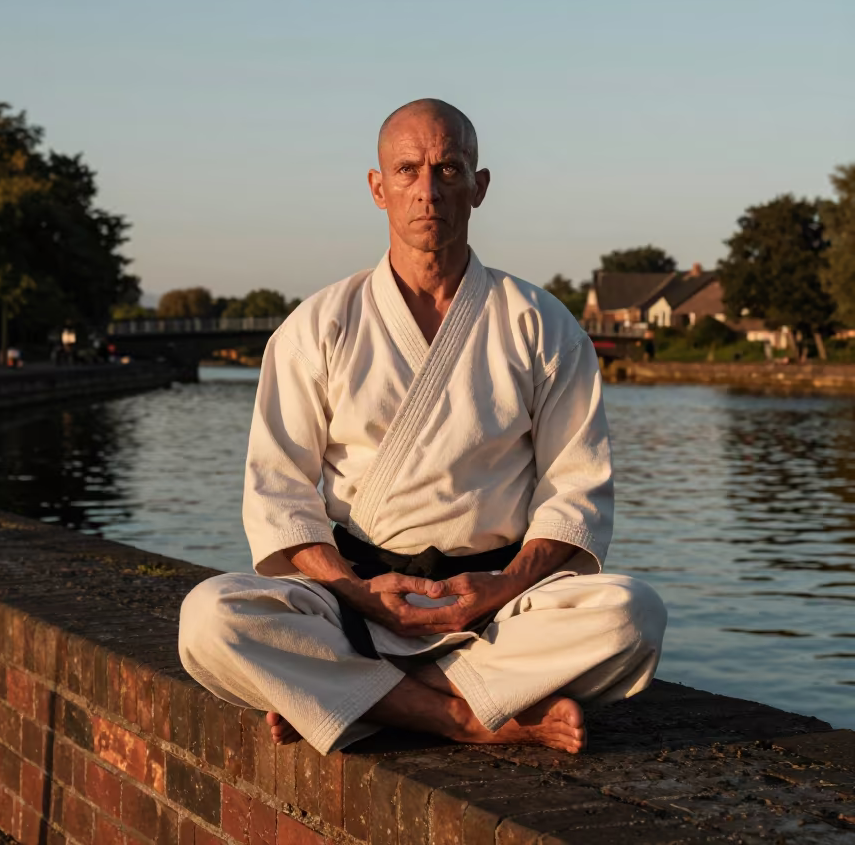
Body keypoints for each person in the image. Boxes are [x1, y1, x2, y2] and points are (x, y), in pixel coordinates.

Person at [179, 99, 666, 756]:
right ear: (378, 189)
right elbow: (279, 497)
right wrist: (358, 593)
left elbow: (574, 493)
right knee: (208, 620)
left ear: (480, 186)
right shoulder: (319, 325)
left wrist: (503, 585)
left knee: (633, 616)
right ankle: (464, 716)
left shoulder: (541, 324)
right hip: (351, 597)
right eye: (407, 171)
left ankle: (351, 698)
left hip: (495, 604)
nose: (427, 190)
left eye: (448, 168)